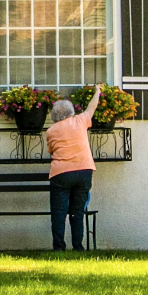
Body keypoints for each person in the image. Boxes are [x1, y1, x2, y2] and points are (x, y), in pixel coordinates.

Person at [44, 89, 101, 251]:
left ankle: (59, 247)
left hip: (61, 174)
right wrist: (97, 92)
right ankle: (78, 247)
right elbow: (92, 107)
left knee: (58, 213)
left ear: (54, 116)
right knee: (77, 212)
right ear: (71, 112)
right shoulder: (80, 121)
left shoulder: (51, 131)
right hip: (84, 171)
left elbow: (51, 151)